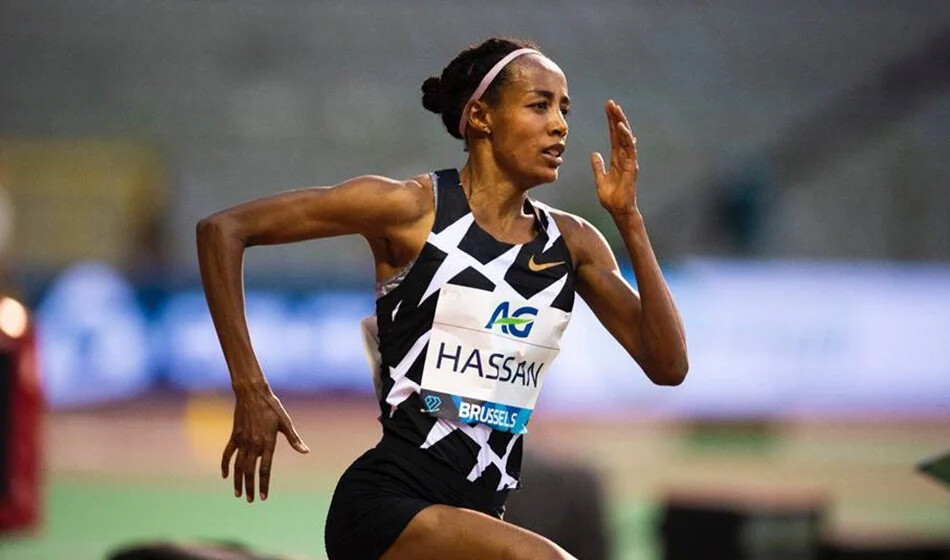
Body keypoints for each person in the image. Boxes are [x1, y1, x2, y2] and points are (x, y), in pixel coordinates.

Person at [197, 37, 688, 560]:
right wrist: (250, 388)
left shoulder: (572, 244)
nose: (559, 125)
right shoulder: (409, 210)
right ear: (480, 117)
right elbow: (222, 231)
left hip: (478, 515)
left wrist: (628, 219)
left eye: (563, 109)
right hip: (389, 507)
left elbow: (668, 365)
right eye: (539, 105)